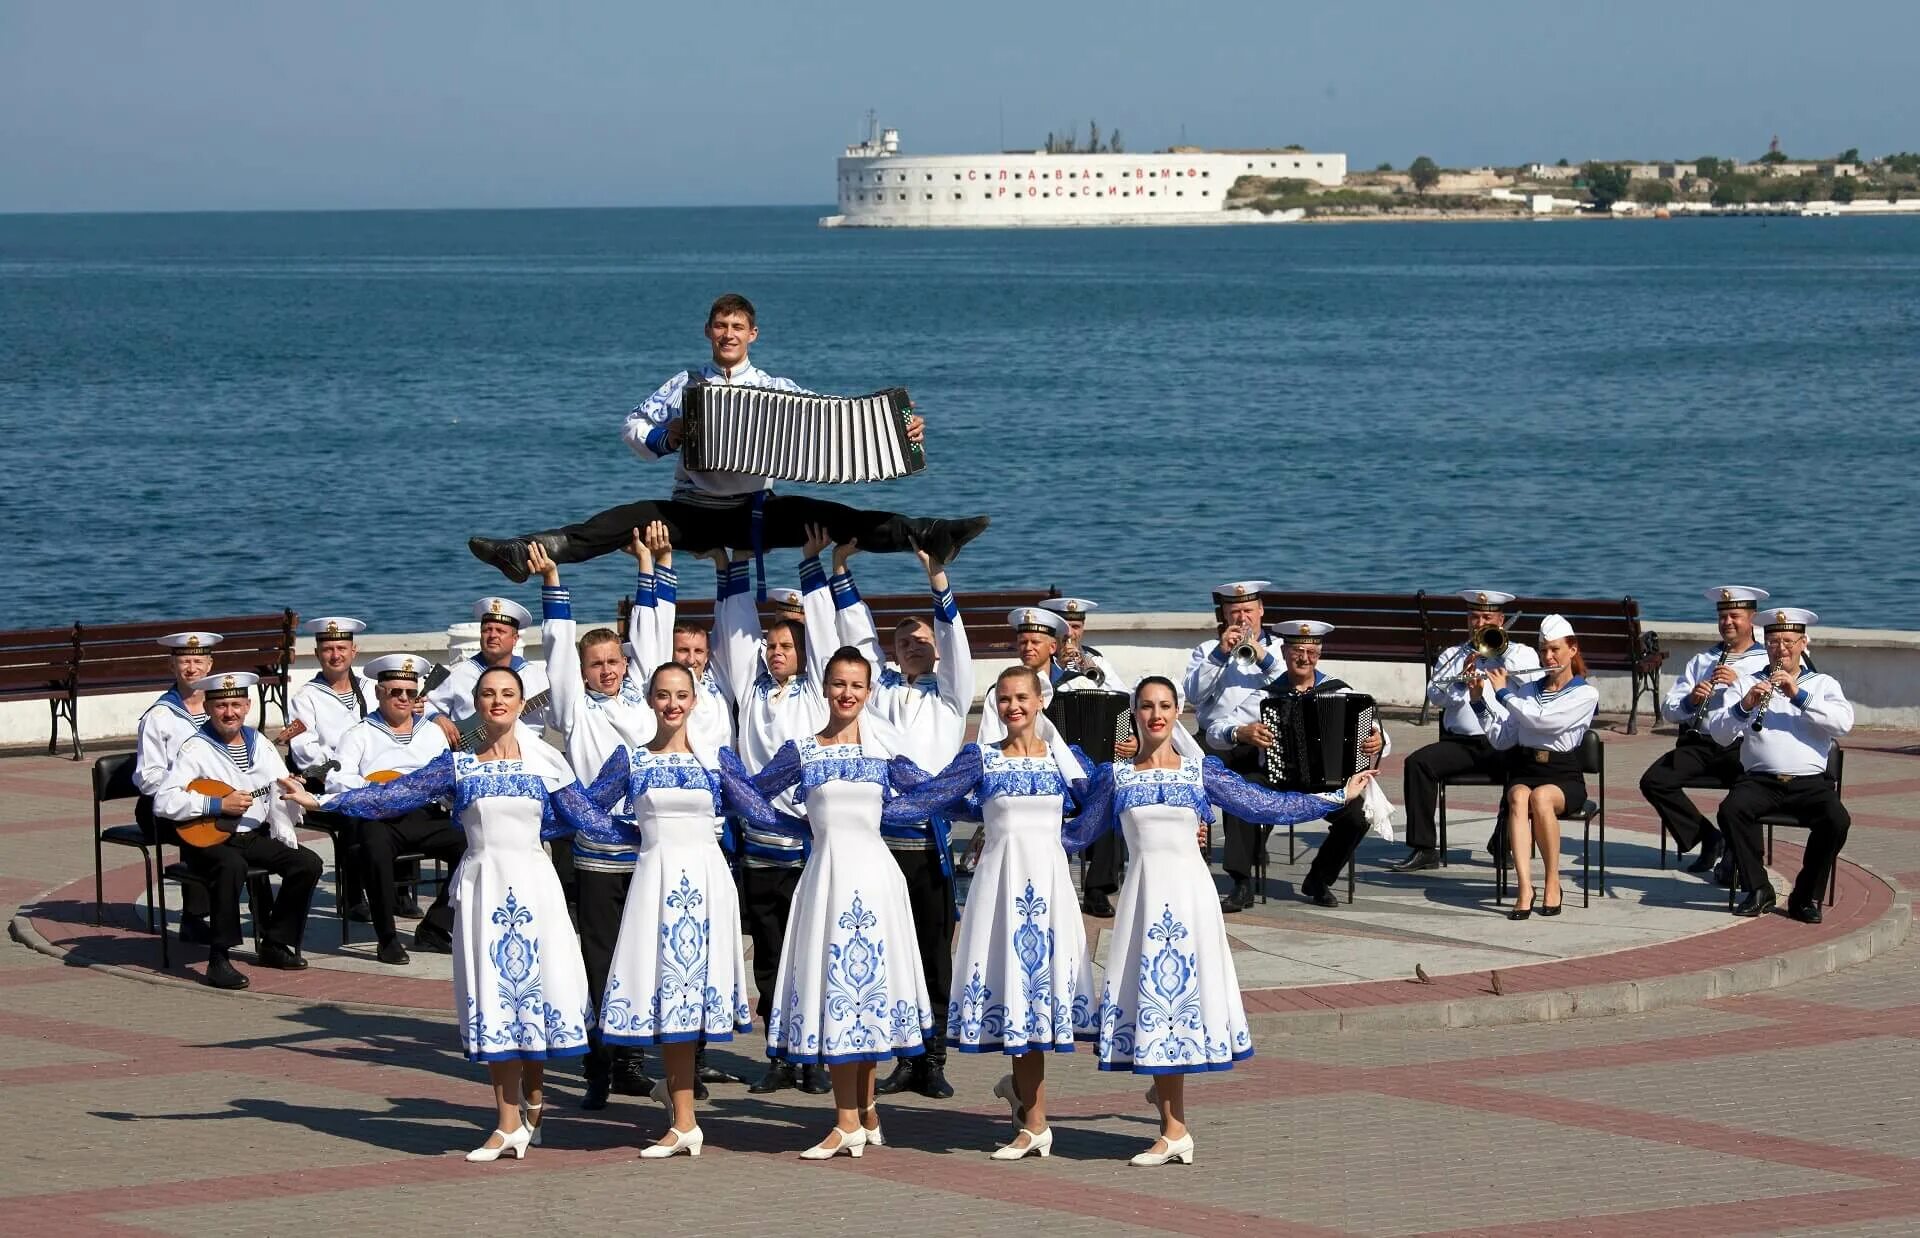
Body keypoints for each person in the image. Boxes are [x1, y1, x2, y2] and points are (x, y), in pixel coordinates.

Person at [286, 666, 623, 1162]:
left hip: (534, 887)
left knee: (534, 997)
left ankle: (534, 1098)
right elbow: (394, 794)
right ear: (477, 704)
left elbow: (588, 819)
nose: (498, 701)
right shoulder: (459, 764)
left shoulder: (548, 760)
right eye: (488, 693)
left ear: (520, 700)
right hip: (485, 887)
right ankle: (506, 1124)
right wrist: (322, 798)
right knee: (494, 998)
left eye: (507, 693)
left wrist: (662, 834)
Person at [466, 293, 990, 583]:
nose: (729, 334)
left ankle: (931, 534)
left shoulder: (779, 390)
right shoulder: (686, 384)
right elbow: (631, 428)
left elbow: (842, 426)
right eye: (720, 326)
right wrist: (668, 434)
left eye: (738, 326)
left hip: (755, 510)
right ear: (708, 332)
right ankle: (523, 552)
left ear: (753, 334)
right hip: (691, 510)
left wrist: (900, 433)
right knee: (612, 523)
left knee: (837, 517)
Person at [1068, 677, 1375, 1165]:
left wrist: (1336, 797)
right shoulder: (1116, 778)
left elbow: (1262, 804)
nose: (1155, 715)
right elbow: (1079, 833)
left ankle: (1174, 1130)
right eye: (1146, 706)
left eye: (1165, 706)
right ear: (1133, 713)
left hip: (1189, 902)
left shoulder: (1200, 773)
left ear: (1178, 710)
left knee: (1177, 1008)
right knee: (1154, 1010)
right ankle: (1172, 1125)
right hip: (1144, 901)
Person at [716, 647, 935, 1160]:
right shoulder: (803, 751)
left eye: (857, 685)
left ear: (869, 691)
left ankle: (860, 1113)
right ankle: (848, 1119)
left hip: (877, 880)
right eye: (838, 683)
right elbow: (752, 796)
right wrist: (796, 826)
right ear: (825, 688)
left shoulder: (885, 752)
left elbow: (931, 796)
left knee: (870, 992)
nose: (847, 693)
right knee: (838, 989)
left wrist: (987, 784)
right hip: (826, 878)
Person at [880, 665, 1092, 1159]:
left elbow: (1107, 805)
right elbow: (927, 797)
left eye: (1022, 697)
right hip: (1000, 893)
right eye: (1004, 698)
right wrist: (851, 806)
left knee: (1039, 1006)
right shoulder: (981, 760)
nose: (1013, 706)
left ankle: (1030, 1115)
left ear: (1041, 701)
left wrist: (1195, 819)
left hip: (1050, 894)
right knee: (1015, 1000)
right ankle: (1032, 1118)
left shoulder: (1067, 763)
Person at [592, 662, 756, 1159]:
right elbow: (586, 808)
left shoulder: (716, 761)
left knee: (691, 998)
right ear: (649, 700)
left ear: (695, 700)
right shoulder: (631, 760)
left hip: (707, 883)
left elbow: (759, 808)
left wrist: (819, 826)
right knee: (664, 995)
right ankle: (684, 1119)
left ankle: (685, 1119)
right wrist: (637, 836)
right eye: (663, 695)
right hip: (655, 880)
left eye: (681, 695)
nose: (673, 704)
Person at [527, 531, 662, 1108]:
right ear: (582, 673)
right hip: (599, 856)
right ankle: (597, 1067)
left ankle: (635, 1061)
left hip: (652, 851)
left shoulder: (647, 703)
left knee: (646, 956)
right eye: (596, 664)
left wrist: (647, 568)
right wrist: (554, 585)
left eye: (614, 661)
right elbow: (556, 654)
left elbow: (655, 645)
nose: (607, 671)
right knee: (601, 959)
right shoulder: (575, 711)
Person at [833, 540, 971, 1100]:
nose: (916, 649)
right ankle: (899, 1055)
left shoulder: (951, 698)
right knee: (889, 951)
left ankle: (932, 1058)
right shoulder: (880, 695)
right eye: (904, 643)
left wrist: (938, 580)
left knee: (934, 955)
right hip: (881, 842)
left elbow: (958, 647)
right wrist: (840, 569)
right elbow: (854, 644)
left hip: (929, 843)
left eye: (924, 642)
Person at [711, 529, 845, 1096]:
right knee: (768, 954)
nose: (774, 652)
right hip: (761, 844)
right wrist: (732, 563)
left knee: (810, 950)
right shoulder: (752, 689)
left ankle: (812, 1055)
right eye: (771, 646)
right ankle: (778, 1053)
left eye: (786, 646)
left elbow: (827, 638)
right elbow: (732, 634)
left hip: (808, 842)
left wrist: (812, 562)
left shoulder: (816, 690)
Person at [152, 672, 323, 990]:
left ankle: (274, 942)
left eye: (235, 704)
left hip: (251, 835)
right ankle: (219, 958)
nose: (229, 712)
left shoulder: (260, 743)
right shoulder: (195, 749)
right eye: (220, 705)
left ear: (247, 706)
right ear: (207, 707)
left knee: (307, 863)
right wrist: (216, 806)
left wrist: (291, 787)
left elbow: (279, 782)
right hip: (207, 840)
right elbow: (163, 801)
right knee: (232, 866)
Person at [1705, 608, 1854, 922]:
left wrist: (1798, 696)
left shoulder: (1823, 684)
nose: (1780, 648)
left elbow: (1843, 724)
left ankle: (1805, 896)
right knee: (1731, 810)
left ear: (1803, 643)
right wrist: (1744, 706)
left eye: (1788, 641)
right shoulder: (1746, 682)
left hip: (1809, 782)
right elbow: (1718, 733)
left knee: (1836, 820)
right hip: (1760, 780)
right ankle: (1758, 889)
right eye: (1773, 642)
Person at [1392, 589, 1544, 873]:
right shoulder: (1453, 654)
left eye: (1487, 616)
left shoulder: (1522, 653)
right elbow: (1434, 696)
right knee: (1417, 763)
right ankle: (1424, 848)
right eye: (1474, 616)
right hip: (1461, 744)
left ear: (1500, 620)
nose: (1479, 622)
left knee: (1526, 770)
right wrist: (1460, 679)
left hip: (1504, 741)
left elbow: (1535, 686)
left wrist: (1503, 655)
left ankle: (1503, 843)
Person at [326, 654, 460, 963]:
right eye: (395, 691)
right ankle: (387, 938)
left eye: (410, 692)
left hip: (425, 814)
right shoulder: (359, 734)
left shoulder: (431, 732)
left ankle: (435, 926)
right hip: (380, 816)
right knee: (374, 848)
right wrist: (376, 788)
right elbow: (336, 779)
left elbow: (446, 777)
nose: (403, 698)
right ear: (379, 692)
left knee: (473, 844)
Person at [1639, 586, 1771, 878]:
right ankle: (1709, 838)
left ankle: (1741, 855)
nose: (1728, 622)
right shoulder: (1703, 660)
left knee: (1748, 790)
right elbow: (1671, 710)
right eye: (1723, 616)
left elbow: (1777, 706)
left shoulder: (1765, 661)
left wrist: (1741, 682)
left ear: (1752, 619)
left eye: (1735, 616)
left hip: (1744, 745)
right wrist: (1693, 699)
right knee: (1654, 781)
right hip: (1701, 743)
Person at [1474, 615, 1600, 919]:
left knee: (1541, 797)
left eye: (1555, 649)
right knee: (1518, 796)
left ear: (1573, 649)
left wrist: (1504, 692)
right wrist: (1480, 701)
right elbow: (1504, 739)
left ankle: (1552, 882)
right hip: (1526, 767)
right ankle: (1524, 887)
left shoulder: (1586, 694)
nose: (1548, 657)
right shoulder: (1529, 691)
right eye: (1543, 650)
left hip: (1563, 773)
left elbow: (1544, 721)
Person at [1263, 620, 1390, 908]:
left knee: (1356, 818)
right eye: (1297, 651)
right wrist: (1248, 733)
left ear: (1319, 655)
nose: (1304, 658)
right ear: (1284, 652)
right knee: (1246, 801)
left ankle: (1319, 880)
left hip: (1328, 784)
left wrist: (1378, 740)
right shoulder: (1266, 693)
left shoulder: (1339, 691)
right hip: (1279, 778)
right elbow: (1229, 730)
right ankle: (1243, 882)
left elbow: (1378, 733)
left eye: (1311, 652)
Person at [1184, 580, 1285, 912]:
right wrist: (1220, 654)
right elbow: (1193, 695)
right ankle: (1210, 860)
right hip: (1216, 739)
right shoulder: (1206, 651)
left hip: (1265, 739)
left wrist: (1263, 657)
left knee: (1255, 786)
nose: (1242, 620)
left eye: (1248, 612)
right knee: (1205, 776)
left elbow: (1291, 685)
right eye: (1235, 613)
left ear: (1261, 612)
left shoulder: (1282, 648)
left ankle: (1242, 874)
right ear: (1224, 617)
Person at [1041, 596, 1134, 917]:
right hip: (1051, 763)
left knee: (1110, 791)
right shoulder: (1038, 667)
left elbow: (1125, 703)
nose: (1071, 636)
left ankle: (1097, 889)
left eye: (1076, 627)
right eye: (1064, 629)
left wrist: (1091, 669)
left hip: (1094, 761)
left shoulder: (1097, 660)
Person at [132, 631, 221, 940]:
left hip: (211, 799)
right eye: (184, 661)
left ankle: (260, 910)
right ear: (171, 666)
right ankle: (193, 917)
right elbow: (147, 777)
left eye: (198, 661)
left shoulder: (222, 709)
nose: (191, 668)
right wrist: (185, 794)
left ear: (211, 665)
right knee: (195, 824)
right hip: (159, 807)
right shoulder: (160, 716)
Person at [424, 597, 552, 738]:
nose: (492, 635)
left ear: (515, 639)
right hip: (467, 753)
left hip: (527, 752)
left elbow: (558, 717)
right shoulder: (458, 673)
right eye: (487, 630)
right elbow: (425, 705)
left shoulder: (535, 676)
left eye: (500, 631)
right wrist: (436, 717)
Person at [286, 617, 375, 780]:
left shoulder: (372, 689)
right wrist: (343, 777)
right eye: (328, 649)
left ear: (353, 651)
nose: (335, 656)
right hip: (331, 781)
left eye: (342, 648)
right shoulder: (304, 698)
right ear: (317, 654)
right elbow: (305, 753)